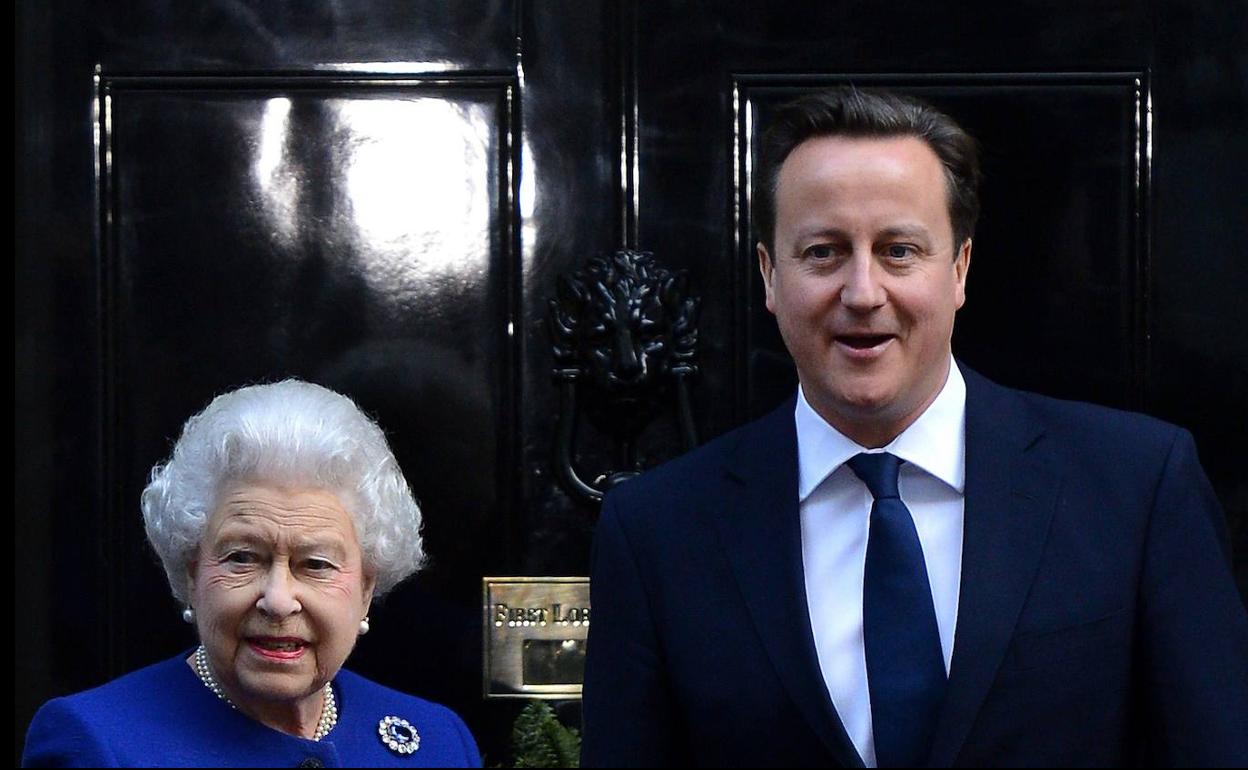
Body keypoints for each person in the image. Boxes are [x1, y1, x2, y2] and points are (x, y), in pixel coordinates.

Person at [580, 89, 1248, 766]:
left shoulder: (1136, 487)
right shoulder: (659, 530)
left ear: (958, 269)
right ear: (770, 276)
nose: (864, 292)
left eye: (899, 250)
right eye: (823, 252)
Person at [23, 380, 481, 767]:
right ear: (192, 571)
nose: (278, 600)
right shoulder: (96, 742)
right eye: (243, 558)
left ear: (365, 589)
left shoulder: (439, 741)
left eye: (316, 564)